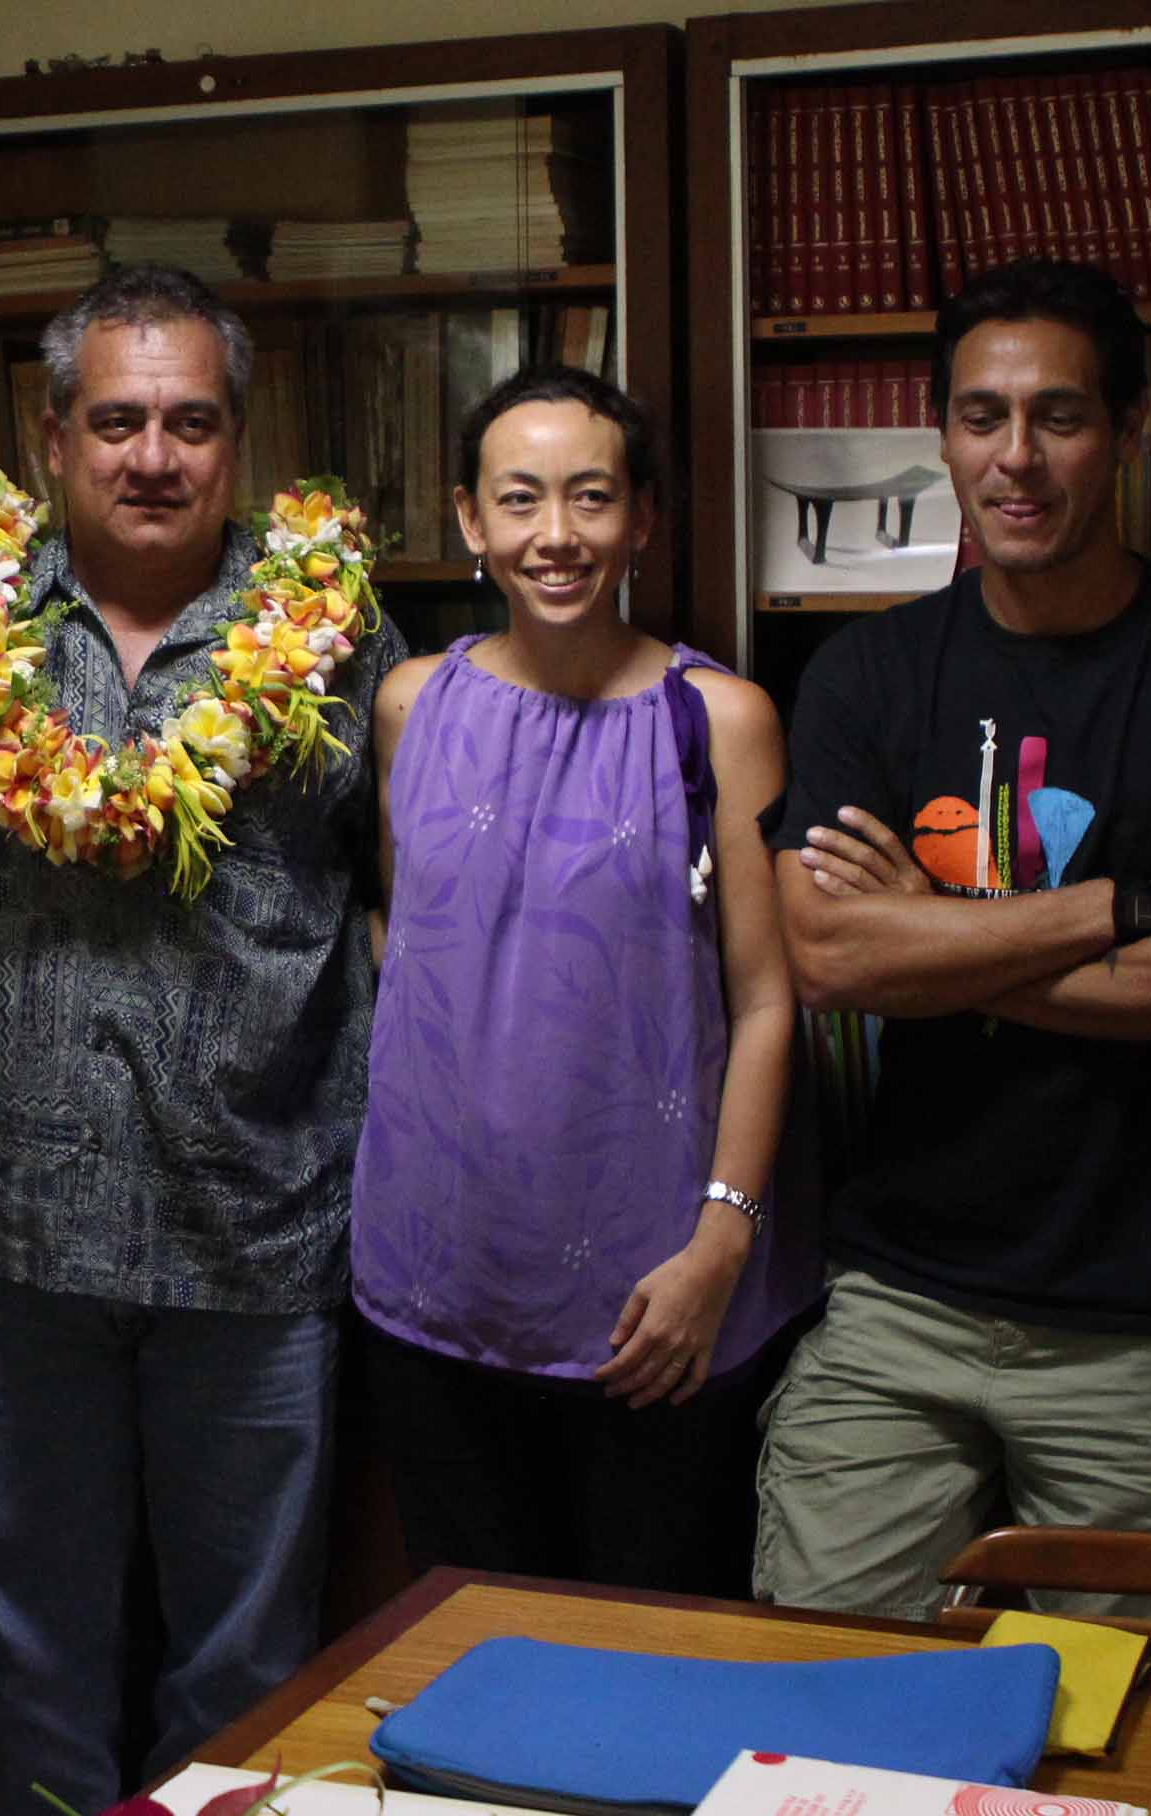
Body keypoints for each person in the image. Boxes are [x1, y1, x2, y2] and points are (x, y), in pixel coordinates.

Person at [753, 258, 1151, 1622]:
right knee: (815, 1685)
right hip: (900, 1302)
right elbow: (830, 960)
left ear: (1127, 431)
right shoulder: (863, 673)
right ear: (942, 436)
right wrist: (1130, 901)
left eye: (1059, 416)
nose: (1017, 457)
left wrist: (939, 942)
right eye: (981, 417)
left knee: (1118, 1722)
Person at [0, 264, 407, 1816]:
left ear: (237, 441)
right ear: (52, 437)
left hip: (257, 1237)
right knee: (26, 1652)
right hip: (20, 1245)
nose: (154, 457)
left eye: (191, 423)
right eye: (117, 422)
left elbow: (406, 907)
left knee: (247, 1669)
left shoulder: (335, 637)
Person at [352, 366, 817, 1597]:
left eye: (591, 496)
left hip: (654, 1296)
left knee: (649, 1647)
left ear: (642, 517)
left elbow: (767, 1000)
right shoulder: (410, 705)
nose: (554, 534)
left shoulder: (720, 719)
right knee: (466, 1643)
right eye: (519, 499)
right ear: (470, 519)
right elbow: (409, 935)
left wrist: (721, 1242)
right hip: (435, 1283)